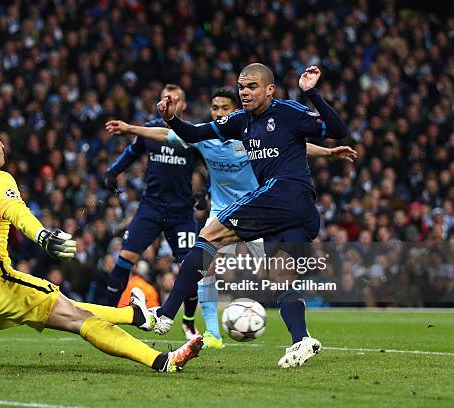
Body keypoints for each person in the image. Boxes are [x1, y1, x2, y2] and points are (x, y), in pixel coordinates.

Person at [0, 117, 202, 373]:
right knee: (79, 317)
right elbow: (18, 214)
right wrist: (43, 236)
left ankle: (140, 320)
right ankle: (156, 347)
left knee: (72, 311)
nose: (3, 145)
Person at [106, 87, 356, 349]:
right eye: (215, 108)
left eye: (225, 108)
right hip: (225, 207)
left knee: (278, 274)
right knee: (207, 264)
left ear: (235, 109)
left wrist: (327, 152)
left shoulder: (246, 131)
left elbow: (294, 145)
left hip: (263, 204)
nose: (219, 113)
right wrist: (132, 128)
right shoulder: (210, 137)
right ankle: (213, 331)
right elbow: (166, 134)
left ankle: (167, 314)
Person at [152, 64, 348, 368]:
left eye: (252, 86)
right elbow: (195, 132)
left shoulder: (288, 112)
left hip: (284, 193)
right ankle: (302, 339)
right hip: (298, 212)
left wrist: (312, 94)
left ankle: (165, 315)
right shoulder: (240, 121)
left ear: (270, 89)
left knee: (209, 235)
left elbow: (338, 130)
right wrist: (171, 119)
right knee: (281, 278)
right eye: (242, 87)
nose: (245, 92)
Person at [103, 84, 202, 339]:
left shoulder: (192, 134)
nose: (169, 104)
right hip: (151, 207)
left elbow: (213, 164)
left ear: (183, 105)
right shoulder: (148, 130)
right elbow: (132, 152)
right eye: (165, 100)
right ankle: (106, 314)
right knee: (125, 257)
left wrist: (207, 192)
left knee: (190, 267)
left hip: (181, 212)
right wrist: (114, 171)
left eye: (175, 100)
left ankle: (188, 322)